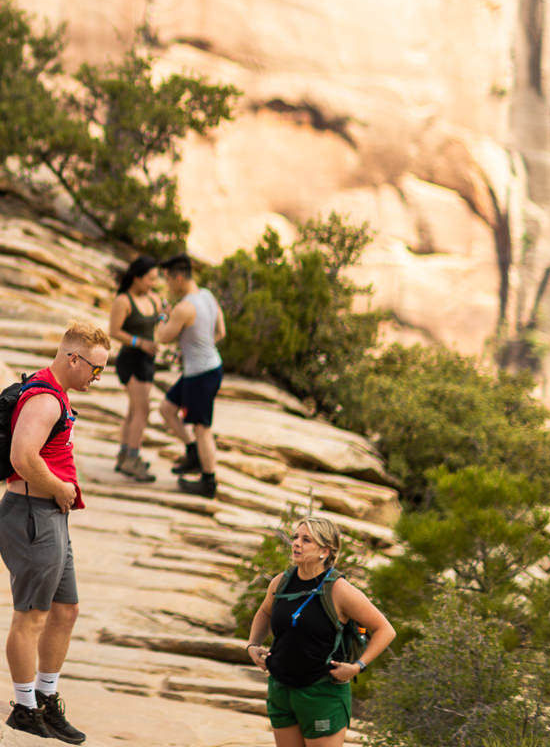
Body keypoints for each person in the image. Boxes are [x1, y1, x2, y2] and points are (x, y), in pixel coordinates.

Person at [0, 319, 110, 743]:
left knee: (66, 610)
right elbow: (23, 458)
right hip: (31, 514)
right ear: (72, 358)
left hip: (49, 515)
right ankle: (24, 707)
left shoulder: (57, 395)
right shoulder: (44, 399)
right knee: (31, 616)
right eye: (95, 369)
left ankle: (45, 698)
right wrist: (61, 487)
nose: (96, 378)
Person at [246, 516, 395, 747]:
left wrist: (358, 666)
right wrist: (253, 645)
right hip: (281, 689)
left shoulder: (339, 590)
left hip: (321, 693)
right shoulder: (280, 583)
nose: (296, 543)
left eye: (306, 540)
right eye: (296, 537)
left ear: (324, 551)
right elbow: (264, 612)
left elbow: (385, 629)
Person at [156, 253, 225, 498]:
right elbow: (221, 331)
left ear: (178, 278)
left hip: (201, 375)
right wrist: (198, 349)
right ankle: (193, 453)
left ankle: (208, 482)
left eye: (168, 280)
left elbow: (162, 337)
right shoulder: (207, 295)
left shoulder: (184, 308)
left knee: (202, 428)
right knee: (166, 409)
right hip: (207, 367)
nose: (168, 286)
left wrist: (163, 314)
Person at [106, 256, 163, 483]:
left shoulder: (153, 299)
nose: (153, 283)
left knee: (134, 410)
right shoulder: (123, 301)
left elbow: (160, 321)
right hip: (131, 360)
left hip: (148, 361)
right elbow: (114, 331)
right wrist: (140, 342)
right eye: (150, 279)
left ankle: (124, 454)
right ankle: (132, 458)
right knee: (143, 410)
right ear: (137, 278)